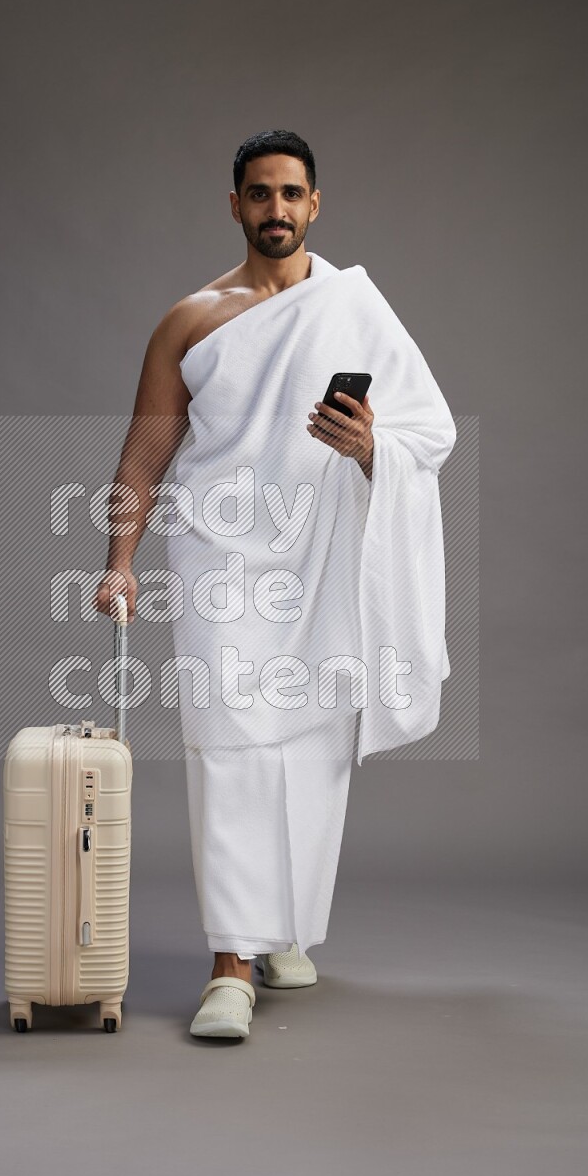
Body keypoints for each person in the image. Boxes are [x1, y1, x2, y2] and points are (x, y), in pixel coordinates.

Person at [93, 130, 455, 1040]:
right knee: (232, 748)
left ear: (315, 204)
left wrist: (371, 447)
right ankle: (230, 960)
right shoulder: (193, 319)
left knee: (314, 747)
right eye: (260, 195)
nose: (278, 210)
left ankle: (285, 928)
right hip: (224, 563)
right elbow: (145, 452)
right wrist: (119, 562)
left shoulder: (354, 308)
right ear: (235, 206)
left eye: (293, 194)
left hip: (327, 555)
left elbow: (429, 429)